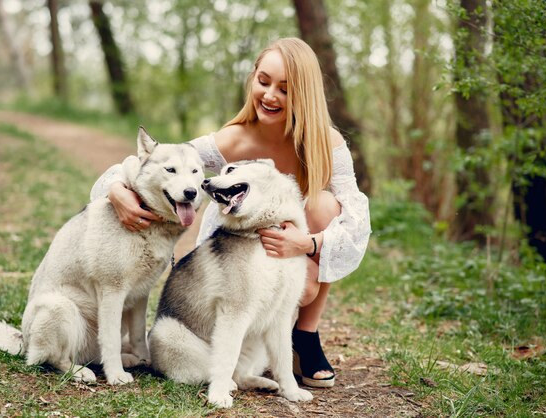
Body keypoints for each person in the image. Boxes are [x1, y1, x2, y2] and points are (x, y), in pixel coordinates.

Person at [90, 37, 371, 388]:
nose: (270, 96)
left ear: (305, 93)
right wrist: (117, 187)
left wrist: (308, 243)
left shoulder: (325, 143)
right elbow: (166, 159)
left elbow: (356, 215)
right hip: (236, 260)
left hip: (294, 252)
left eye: (285, 89)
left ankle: (305, 336)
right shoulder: (232, 139)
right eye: (263, 81)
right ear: (252, 77)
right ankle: (232, 348)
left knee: (324, 204)